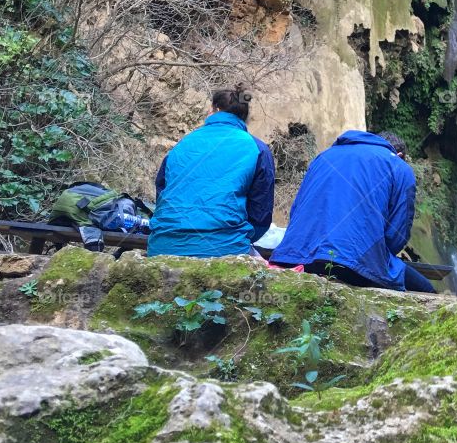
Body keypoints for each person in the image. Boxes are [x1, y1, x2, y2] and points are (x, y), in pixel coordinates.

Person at [269, 129, 435, 293]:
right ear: (399, 155)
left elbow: (297, 210)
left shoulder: (323, 156)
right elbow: (396, 235)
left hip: (291, 256)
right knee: (427, 290)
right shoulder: (399, 166)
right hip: (350, 264)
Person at [148, 85, 275, 259]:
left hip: (161, 246)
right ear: (244, 117)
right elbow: (260, 216)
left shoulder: (183, 143)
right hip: (224, 249)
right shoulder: (258, 149)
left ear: (213, 109)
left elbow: (162, 195)